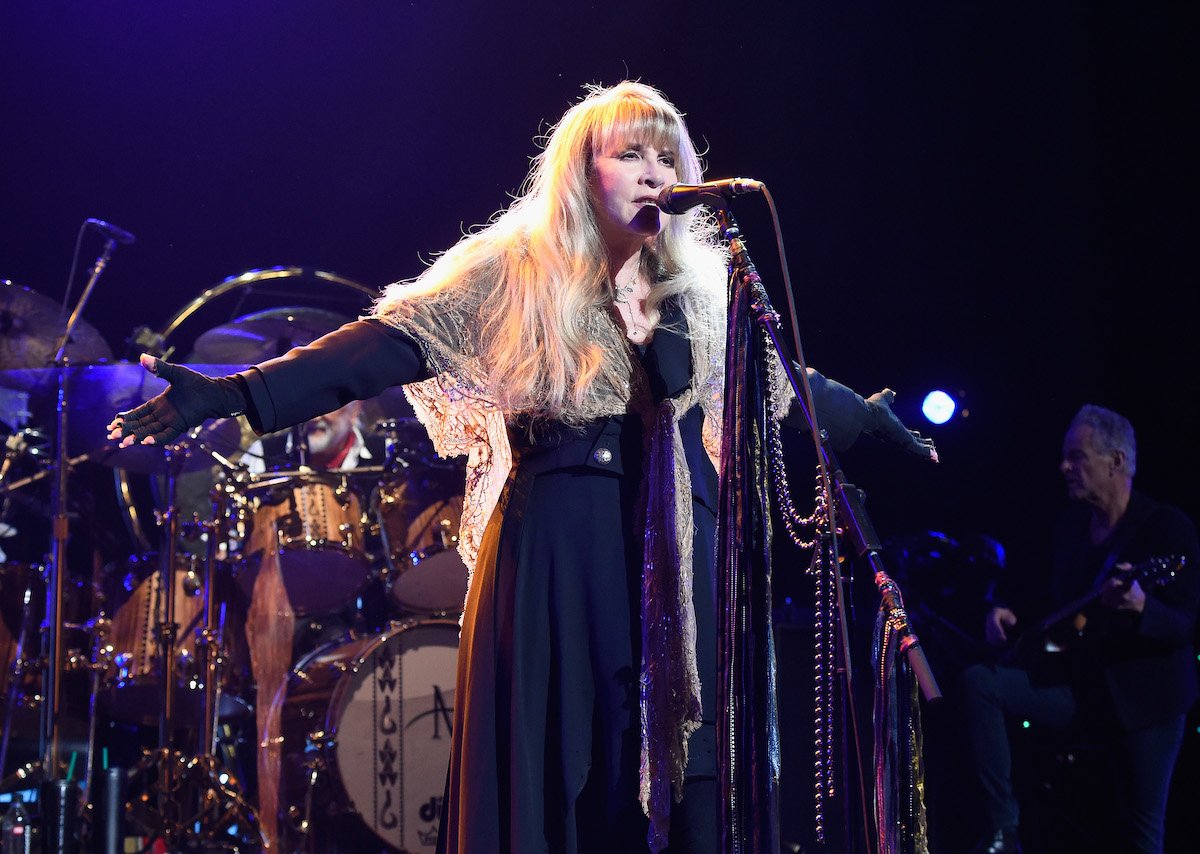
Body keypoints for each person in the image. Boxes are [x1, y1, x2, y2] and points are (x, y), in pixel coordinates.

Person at [109, 81, 935, 853]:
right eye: (630, 156)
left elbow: (789, 384)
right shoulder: (513, 274)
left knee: (692, 780)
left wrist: (871, 420)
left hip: (684, 561)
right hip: (557, 554)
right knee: (560, 775)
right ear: (582, 173)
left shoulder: (705, 291)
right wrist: (234, 393)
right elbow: (383, 344)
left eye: (666, 158)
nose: (655, 175)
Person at [961, 404, 1200, 854]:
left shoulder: (1166, 528)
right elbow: (1048, 598)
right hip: (1083, 690)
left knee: (1141, 837)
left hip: (1147, 704)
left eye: (1077, 457)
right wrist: (1004, 609)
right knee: (980, 683)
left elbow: (1184, 624)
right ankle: (1002, 831)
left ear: (1117, 462)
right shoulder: (1072, 525)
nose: (1064, 467)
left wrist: (1142, 605)